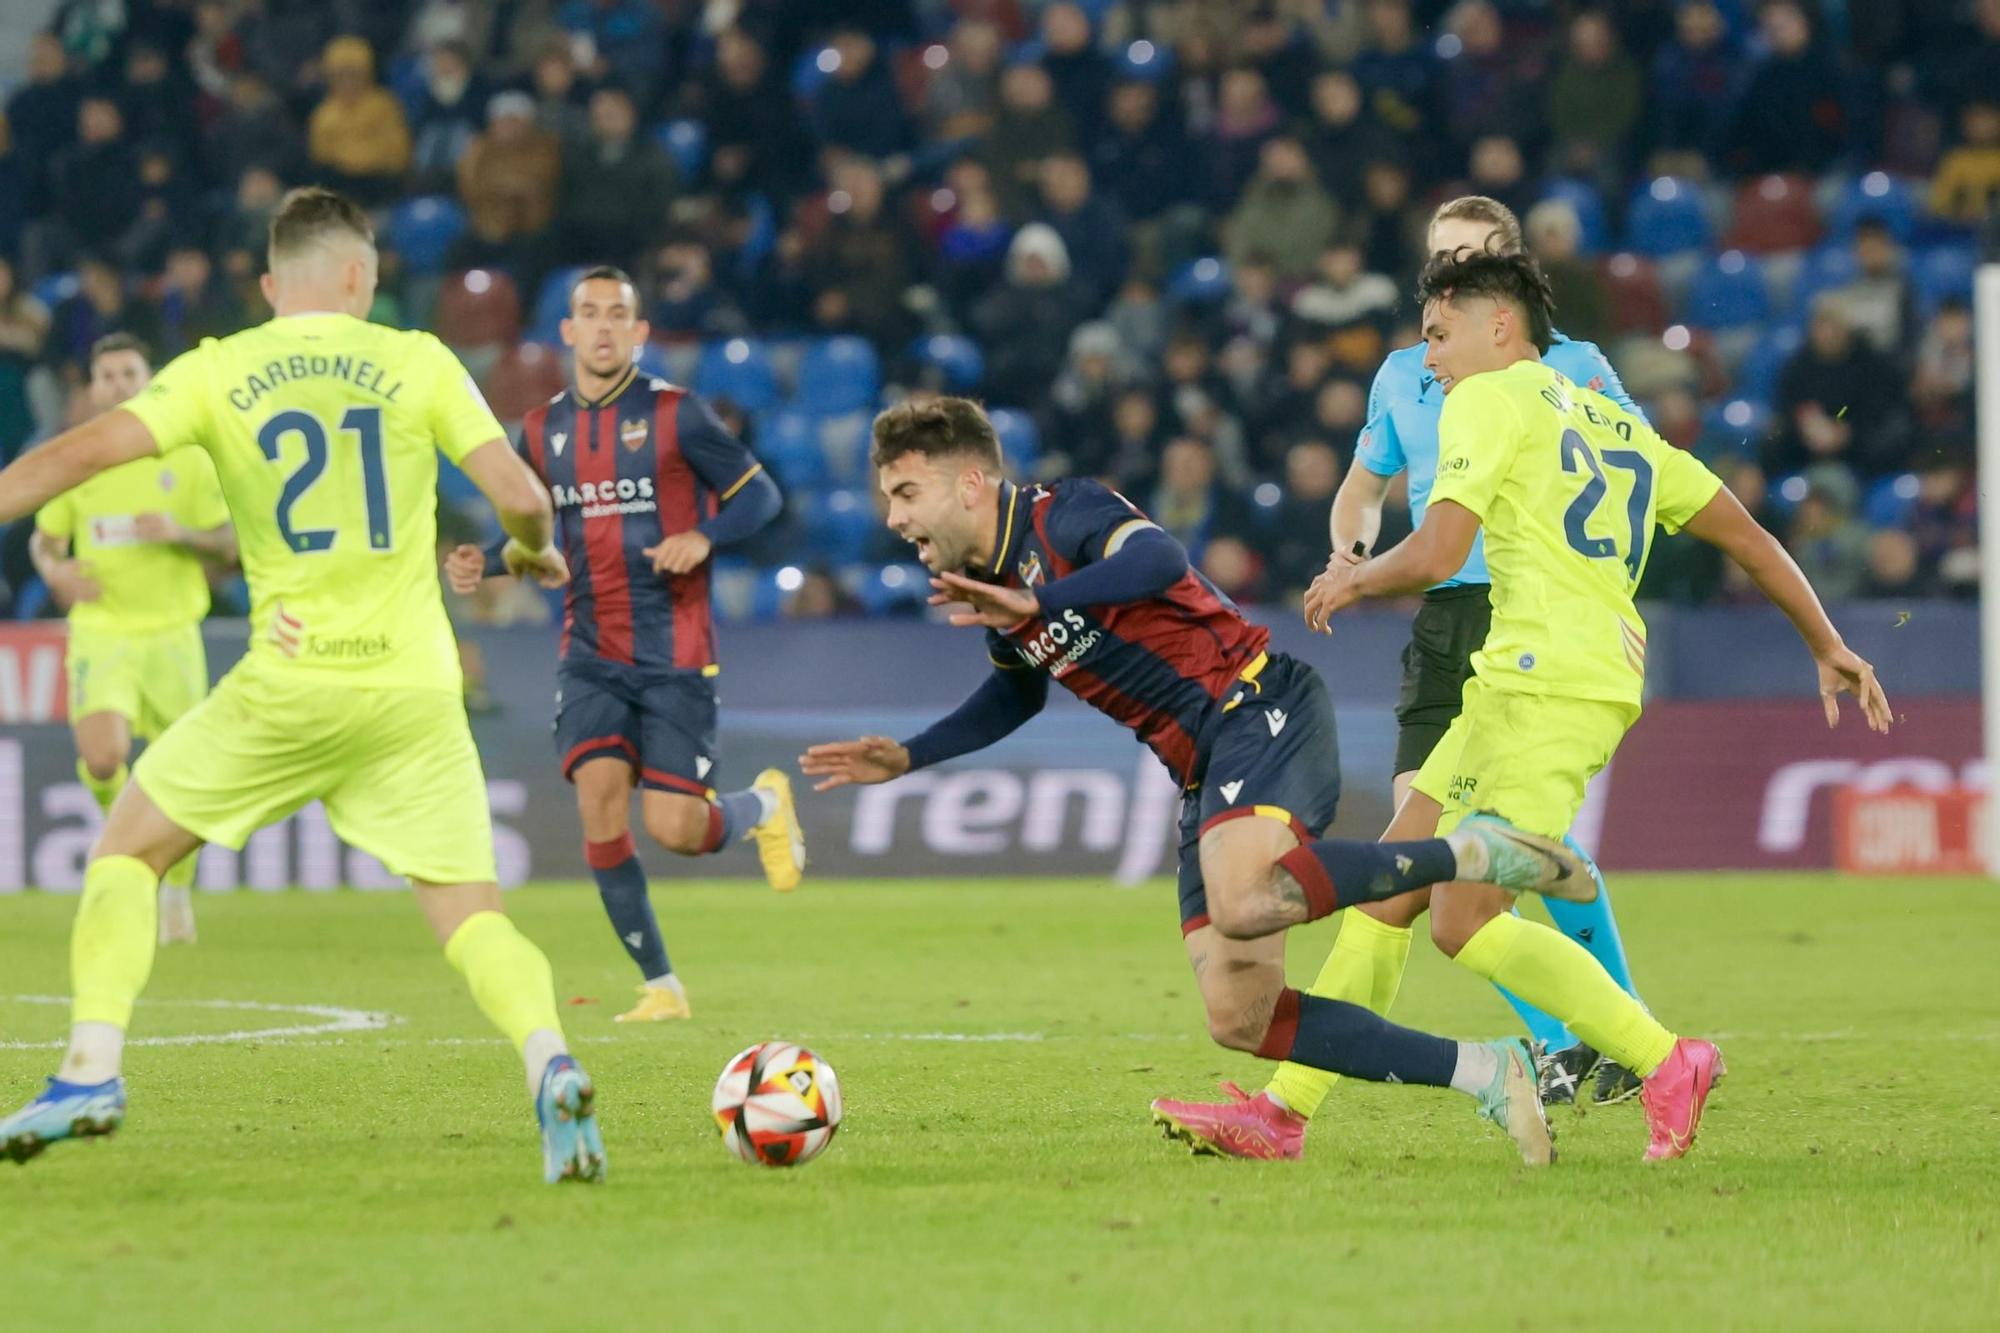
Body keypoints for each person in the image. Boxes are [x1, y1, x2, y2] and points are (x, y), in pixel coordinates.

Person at [803, 397, 1611, 1170]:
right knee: (1241, 1014)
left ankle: (1467, 854)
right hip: (1200, 766)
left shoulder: (1063, 512)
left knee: (1246, 898)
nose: (894, 518)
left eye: (906, 492)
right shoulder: (995, 583)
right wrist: (909, 756)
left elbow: (1158, 559)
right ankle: (1488, 1071)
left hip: (1258, 700)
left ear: (969, 482)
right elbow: (1018, 689)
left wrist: (1035, 596)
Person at [0, 188, 605, 1184]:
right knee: (474, 916)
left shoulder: (220, 368)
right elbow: (522, 497)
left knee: (127, 852)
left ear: (273, 284)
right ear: (363, 275)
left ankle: (89, 1069)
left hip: (286, 681)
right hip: (412, 690)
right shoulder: (415, 360)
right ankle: (551, 1063)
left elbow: (83, 452)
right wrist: (526, 551)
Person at [1303, 248, 1890, 1161]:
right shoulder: (1625, 429)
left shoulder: (1485, 400)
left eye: (1439, 333)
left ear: (1502, 326)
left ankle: (1667, 1059)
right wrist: (1826, 640)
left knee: (1462, 919)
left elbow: (1436, 547)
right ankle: (1282, 1113)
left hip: (1550, 685)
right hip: (1529, 680)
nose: (1429, 359)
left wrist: (1352, 578)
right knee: (1387, 891)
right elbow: (1748, 534)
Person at [1154, 197, 1656, 1165]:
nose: (1454, 268)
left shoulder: (1574, 366)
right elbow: (1363, 487)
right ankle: (1572, 1043)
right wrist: (1349, 551)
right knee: (1417, 866)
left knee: (1463, 859)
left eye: (1473, 255)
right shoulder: (1404, 371)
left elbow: (1631, 475)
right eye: (1440, 257)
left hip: (1527, 615)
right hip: (1438, 616)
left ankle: (1609, 1037)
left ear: (1509, 270)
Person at [444, 266, 800, 1024]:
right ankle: (661, 986)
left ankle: (764, 804)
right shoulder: (538, 433)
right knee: (599, 806)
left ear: (639, 334)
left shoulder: (677, 415)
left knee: (678, 829)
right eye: (588, 314)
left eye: (618, 315)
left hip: (675, 650)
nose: (603, 327)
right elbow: (529, 537)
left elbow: (762, 496)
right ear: (567, 332)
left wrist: (703, 535)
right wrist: (487, 557)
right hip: (589, 650)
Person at [30, 334, 236, 945]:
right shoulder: (80, 459)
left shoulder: (188, 457)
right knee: (102, 758)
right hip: (103, 631)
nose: (120, 384)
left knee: (182, 777)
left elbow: (229, 543)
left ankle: (174, 886)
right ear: (93, 389)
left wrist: (180, 531)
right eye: (108, 376)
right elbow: (45, 541)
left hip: (173, 633)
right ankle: (128, 856)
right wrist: (55, 572)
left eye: (129, 373)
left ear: (150, 379)